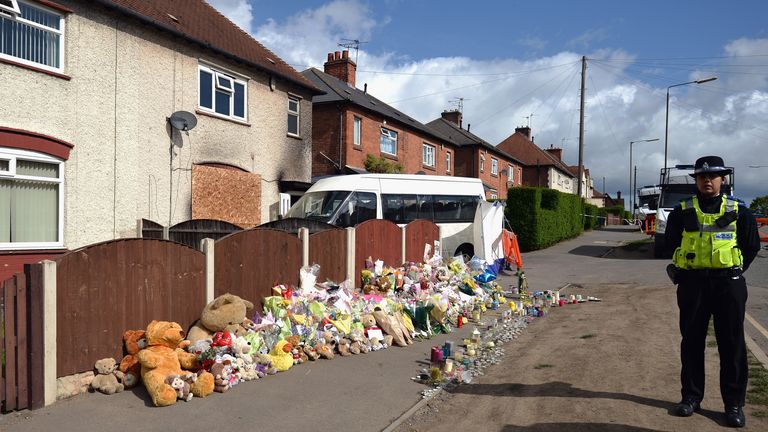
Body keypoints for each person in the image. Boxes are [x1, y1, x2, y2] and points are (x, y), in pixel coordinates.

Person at [665, 156, 761, 428]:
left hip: (728, 285)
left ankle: (733, 404)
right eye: (701, 176)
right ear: (696, 180)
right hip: (693, 285)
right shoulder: (681, 212)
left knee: (732, 345)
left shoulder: (740, 211)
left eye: (713, 176)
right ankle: (691, 398)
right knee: (691, 342)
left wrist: (734, 271)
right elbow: (669, 244)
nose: (707, 180)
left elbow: (751, 246)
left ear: (723, 179)